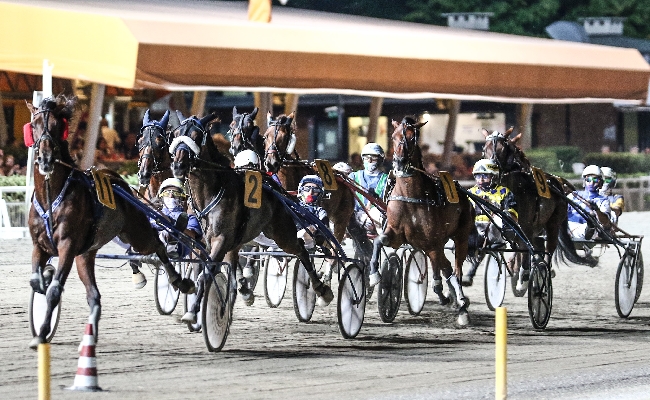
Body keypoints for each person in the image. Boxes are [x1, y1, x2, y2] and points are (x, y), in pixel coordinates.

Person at [129, 178, 202, 289]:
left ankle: (171, 238)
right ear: (161, 196)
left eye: (175, 193)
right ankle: (135, 267)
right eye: (167, 193)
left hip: (178, 248)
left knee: (166, 233)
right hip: (150, 244)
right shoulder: (152, 213)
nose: (171, 196)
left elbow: (193, 236)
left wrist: (174, 225)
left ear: (182, 198)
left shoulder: (188, 217)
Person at [462, 159, 518, 286]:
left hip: (497, 231)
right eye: (478, 176)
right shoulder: (471, 192)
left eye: (485, 176)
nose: (481, 180)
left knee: (493, 225)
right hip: (475, 228)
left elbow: (512, 214)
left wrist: (494, 207)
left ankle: (470, 273)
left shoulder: (504, 192)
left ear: (493, 177)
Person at [349, 143, 389, 239]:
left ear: (380, 160)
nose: (370, 161)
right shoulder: (354, 176)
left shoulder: (386, 179)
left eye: (373, 158)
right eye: (367, 158)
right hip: (355, 213)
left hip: (377, 215)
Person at [567, 165, 613, 239]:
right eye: (588, 179)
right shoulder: (572, 195)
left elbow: (605, 222)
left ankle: (589, 228)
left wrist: (597, 210)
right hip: (569, 226)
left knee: (592, 227)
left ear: (601, 183)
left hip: (587, 230)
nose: (591, 182)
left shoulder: (603, 200)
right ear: (584, 181)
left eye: (595, 180)